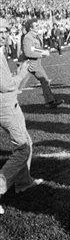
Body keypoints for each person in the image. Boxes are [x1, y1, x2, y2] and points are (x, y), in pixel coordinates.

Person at [0, 18, 44, 215]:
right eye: (0, 31)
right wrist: (22, 71)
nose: (4, 34)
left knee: (26, 141)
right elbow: (7, 85)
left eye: (5, 30)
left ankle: (23, 182)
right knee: (22, 149)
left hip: (8, 103)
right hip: (5, 105)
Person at [20, 18, 63, 108]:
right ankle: (6, 105)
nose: (38, 27)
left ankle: (50, 102)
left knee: (45, 80)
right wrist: (42, 54)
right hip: (29, 64)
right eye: (36, 26)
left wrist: (43, 51)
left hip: (36, 64)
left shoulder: (35, 36)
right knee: (18, 86)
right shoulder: (28, 37)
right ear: (31, 28)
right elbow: (28, 52)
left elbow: (36, 49)